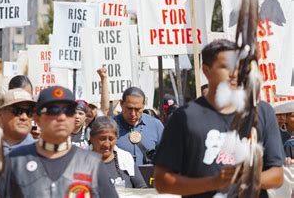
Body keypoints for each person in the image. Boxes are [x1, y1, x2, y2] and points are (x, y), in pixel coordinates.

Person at [154, 39, 284, 197]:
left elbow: (277, 175)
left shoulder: (262, 111)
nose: (234, 73)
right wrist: (214, 182)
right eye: (225, 67)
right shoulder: (184, 117)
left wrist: (247, 178)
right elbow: (161, 182)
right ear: (206, 70)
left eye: (239, 66)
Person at [0, 86, 118, 198]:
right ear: (37, 118)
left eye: (68, 111)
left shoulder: (92, 164)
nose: (61, 117)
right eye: (53, 111)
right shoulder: (15, 161)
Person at [90, 116, 147, 189]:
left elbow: (142, 188)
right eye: (102, 139)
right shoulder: (81, 161)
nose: (107, 144)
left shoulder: (125, 158)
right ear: (91, 138)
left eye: (111, 139)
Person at [114, 87, 164, 166]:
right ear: (121, 103)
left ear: (143, 106)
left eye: (137, 109)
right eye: (129, 108)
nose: (133, 114)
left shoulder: (156, 126)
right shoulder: (110, 126)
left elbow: (165, 157)